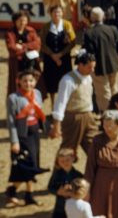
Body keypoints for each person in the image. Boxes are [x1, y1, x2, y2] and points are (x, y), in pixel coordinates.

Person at [5, 69, 47, 208]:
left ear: (35, 82)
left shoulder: (38, 94)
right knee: (27, 164)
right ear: (19, 82)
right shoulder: (13, 98)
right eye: (25, 81)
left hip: (34, 132)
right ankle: (12, 190)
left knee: (33, 164)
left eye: (31, 81)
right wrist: (14, 141)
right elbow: (11, 121)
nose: (28, 83)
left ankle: (29, 195)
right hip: (22, 134)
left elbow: (40, 113)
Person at [50, 51, 100, 158]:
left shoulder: (88, 78)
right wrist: (56, 125)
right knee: (68, 150)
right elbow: (60, 103)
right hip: (73, 118)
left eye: (93, 67)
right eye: (89, 67)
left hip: (88, 116)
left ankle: (96, 173)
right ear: (80, 65)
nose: (92, 70)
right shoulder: (68, 80)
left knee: (95, 147)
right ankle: (60, 173)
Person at [82, 7, 118, 112]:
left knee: (103, 93)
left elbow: (90, 52)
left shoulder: (89, 33)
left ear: (91, 18)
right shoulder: (113, 29)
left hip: (99, 67)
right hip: (113, 63)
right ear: (103, 17)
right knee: (114, 88)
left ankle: (108, 115)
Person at [39, 5, 77, 107]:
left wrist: (60, 54)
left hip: (64, 59)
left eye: (59, 12)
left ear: (62, 13)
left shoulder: (67, 25)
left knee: (66, 81)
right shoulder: (46, 26)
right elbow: (42, 43)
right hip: (50, 59)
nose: (57, 14)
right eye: (55, 12)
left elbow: (73, 42)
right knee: (51, 83)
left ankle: (66, 106)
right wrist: (52, 55)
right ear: (50, 14)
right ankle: (53, 106)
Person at [5, 10, 41, 97]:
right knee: (17, 84)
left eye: (24, 20)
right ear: (15, 21)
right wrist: (28, 48)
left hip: (31, 64)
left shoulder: (31, 31)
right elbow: (12, 48)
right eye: (20, 20)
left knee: (32, 82)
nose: (22, 23)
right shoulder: (10, 33)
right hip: (17, 64)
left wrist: (23, 46)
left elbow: (37, 44)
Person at [48, 147, 84, 218]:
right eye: (62, 161)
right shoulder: (56, 174)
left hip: (74, 206)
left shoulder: (78, 175)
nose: (65, 163)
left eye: (67, 160)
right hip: (60, 206)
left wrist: (73, 192)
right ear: (58, 161)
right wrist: (58, 191)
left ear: (73, 159)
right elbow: (50, 187)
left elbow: (83, 190)